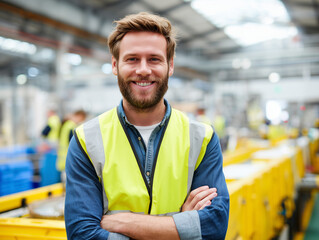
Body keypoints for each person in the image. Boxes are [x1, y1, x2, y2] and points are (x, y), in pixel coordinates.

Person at [65, 12, 229, 240]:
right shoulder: (86, 140)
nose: (143, 69)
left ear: (170, 66)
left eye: (154, 59)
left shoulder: (201, 138)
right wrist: (181, 224)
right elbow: (83, 234)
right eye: (132, 59)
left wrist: (123, 221)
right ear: (115, 65)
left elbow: (214, 227)